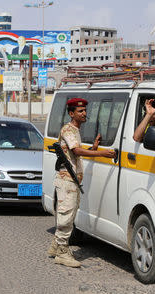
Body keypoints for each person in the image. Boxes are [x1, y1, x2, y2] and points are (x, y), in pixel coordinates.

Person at [48, 98, 116, 268]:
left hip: (72, 181)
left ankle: (56, 246)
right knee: (66, 215)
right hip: (67, 181)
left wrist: (93, 147)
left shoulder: (75, 131)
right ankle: (62, 253)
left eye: (85, 110)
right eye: (80, 111)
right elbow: (76, 150)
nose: (84, 113)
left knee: (70, 214)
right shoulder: (68, 130)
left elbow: (76, 154)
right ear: (71, 114)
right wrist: (101, 154)